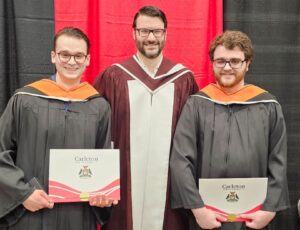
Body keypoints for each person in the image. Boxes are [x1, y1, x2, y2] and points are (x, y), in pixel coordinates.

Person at [170, 30, 290, 230]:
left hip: (254, 218)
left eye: (234, 61)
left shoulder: (268, 105)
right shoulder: (197, 104)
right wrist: (197, 209)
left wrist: (269, 210)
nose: (227, 67)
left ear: (247, 63)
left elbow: (278, 162)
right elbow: (181, 159)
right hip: (207, 218)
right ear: (213, 63)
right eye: (221, 61)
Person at [94, 5, 198, 230]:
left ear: (165, 34)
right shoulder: (114, 76)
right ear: (134, 33)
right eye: (144, 31)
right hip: (122, 186)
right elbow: (96, 132)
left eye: (157, 31)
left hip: (170, 189)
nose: (151, 37)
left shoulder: (183, 79)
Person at [0, 27, 115, 230]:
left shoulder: (99, 106)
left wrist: (103, 193)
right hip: (31, 213)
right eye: (65, 54)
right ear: (53, 56)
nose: (72, 62)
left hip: (78, 215)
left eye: (79, 55)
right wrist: (23, 194)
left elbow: (103, 159)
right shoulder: (25, 100)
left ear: (88, 59)